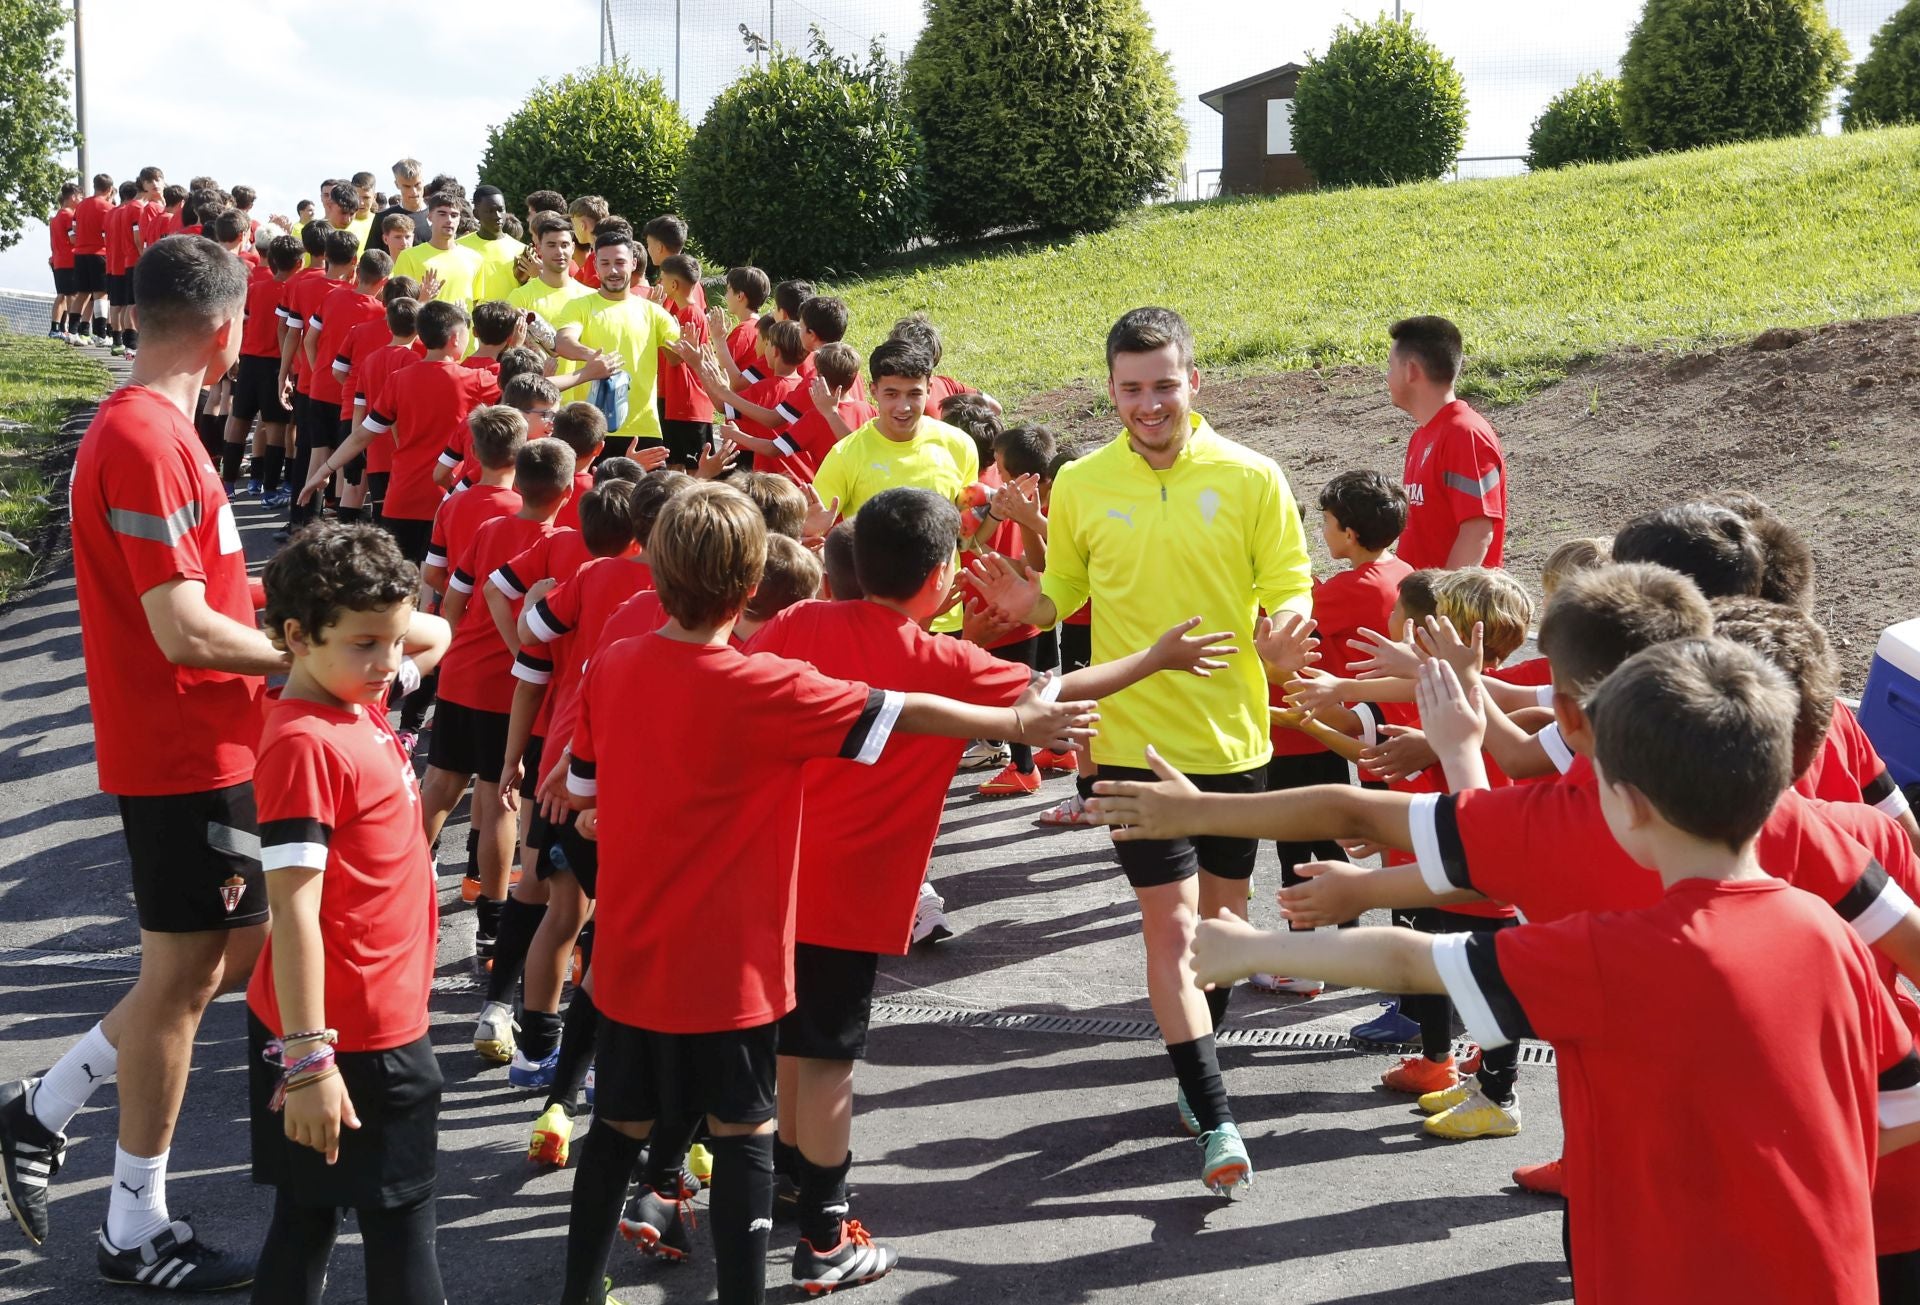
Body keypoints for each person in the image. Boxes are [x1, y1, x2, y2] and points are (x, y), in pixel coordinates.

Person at [1172, 641, 1920, 1303]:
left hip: (1660, 1275)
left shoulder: (1610, 952)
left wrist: (1251, 947)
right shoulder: (1832, 935)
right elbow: (1903, 1101)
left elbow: (1408, 956)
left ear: (1627, 804)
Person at [554, 481, 1097, 1305]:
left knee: (616, 1133)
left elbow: (585, 797)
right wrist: (1016, 724)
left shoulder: (615, 663)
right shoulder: (768, 685)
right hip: (733, 966)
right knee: (744, 1137)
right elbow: (904, 707)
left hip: (630, 953)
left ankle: (579, 1293)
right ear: (750, 590)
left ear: (655, 572)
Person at [750, 485, 1236, 1289]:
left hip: (774, 876)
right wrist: (1155, 656)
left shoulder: (801, 623)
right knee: (833, 1060)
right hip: (852, 894)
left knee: (796, 1041)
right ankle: (828, 1235)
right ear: (941, 574)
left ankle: (795, 1169)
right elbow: (1062, 691)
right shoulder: (943, 662)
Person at [966, 306, 1315, 1193]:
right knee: (1173, 925)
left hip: (1233, 740)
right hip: (1127, 742)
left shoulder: (1253, 475)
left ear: (1194, 381)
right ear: (1110, 389)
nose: (1149, 404)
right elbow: (1066, 599)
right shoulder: (1082, 482)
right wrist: (1028, 601)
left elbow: (1289, 588)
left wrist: (1284, 641)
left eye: (1164, 384)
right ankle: (1216, 1108)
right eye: (1131, 389)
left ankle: (1199, 1062)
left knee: (1226, 928)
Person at [0, 235, 280, 1288]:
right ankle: (132, 1227)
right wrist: (302, 661)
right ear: (225, 333)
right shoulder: (150, 440)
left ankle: (45, 1105)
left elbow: (202, 600)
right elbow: (181, 628)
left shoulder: (159, 429)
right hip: (183, 749)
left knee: (226, 959)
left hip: (201, 742)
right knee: (182, 983)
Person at [246, 524, 452, 1305]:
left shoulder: (353, 694)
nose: (390, 662)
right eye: (367, 643)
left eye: (392, 643)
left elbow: (434, 629)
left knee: (308, 1218)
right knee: (400, 1233)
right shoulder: (306, 742)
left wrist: (383, 627)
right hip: (352, 1037)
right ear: (297, 635)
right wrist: (308, 1062)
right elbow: (292, 908)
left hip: (362, 1022)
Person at [423, 434, 576, 969]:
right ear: (564, 492)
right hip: (507, 691)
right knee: (497, 799)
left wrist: (452, 645)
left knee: (440, 782)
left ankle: (405, 882)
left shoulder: (487, 527)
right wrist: (517, 652)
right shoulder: (559, 543)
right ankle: (491, 915)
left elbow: (456, 593)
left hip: (460, 673)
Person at [1259, 469, 1411, 994]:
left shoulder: (1342, 591)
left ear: (1348, 532)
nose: (1321, 531)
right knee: (1335, 842)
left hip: (1320, 728)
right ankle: (1339, 950)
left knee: (1299, 845)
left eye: (1326, 522)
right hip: (1372, 725)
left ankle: (1304, 958)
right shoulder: (1402, 574)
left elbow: (1282, 649)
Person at [811, 339, 977, 636]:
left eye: (914, 394)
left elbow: (965, 533)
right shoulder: (845, 455)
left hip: (945, 619)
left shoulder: (959, 445)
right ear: (873, 391)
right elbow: (810, 531)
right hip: (876, 623)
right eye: (891, 394)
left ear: (929, 388)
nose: (903, 406)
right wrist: (811, 533)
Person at [1386, 315, 1506, 570]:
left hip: (1451, 607)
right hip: (1420, 605)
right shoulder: (1423, 435)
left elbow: (1477, 532)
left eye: (1389, 366)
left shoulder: (1465, 434)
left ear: (1411, 371)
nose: (1386, 377)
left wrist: (1442, 601)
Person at [551, 231, 679, 461]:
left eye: (620, 262)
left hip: (642, 430)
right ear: (596, 267)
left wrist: (693, 349)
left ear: (633, 263)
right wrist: (593, 358)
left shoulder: (654, 312)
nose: (613, 271)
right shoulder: (580, 306)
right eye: (605, 263)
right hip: (589, 428)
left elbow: (677, 356)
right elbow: (563, 342)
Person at [222, 234, 305, 500]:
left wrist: (234, 356)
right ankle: (270, 490)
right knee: (276, 427)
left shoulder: (256, 288)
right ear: (299, 262)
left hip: (249, 360)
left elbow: (241, 321)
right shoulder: (293, 291)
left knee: (239, 421)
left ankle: (229, 483)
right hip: (276, 365)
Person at [507, 214, 595, 360]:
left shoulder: (590, 296)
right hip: (536, 381)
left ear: (572, 248)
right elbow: (510, 350)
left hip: (582, 382)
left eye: (564, 245)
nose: (559, 251)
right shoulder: (520, 297)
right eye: (551, 245)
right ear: (539, 248)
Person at [654, 254, 714, 468]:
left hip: (687, 401)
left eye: (661, 279)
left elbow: (675, 358)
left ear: (673, 284)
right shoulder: (682, 311)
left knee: (689, 468)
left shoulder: (689, 313)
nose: (659, 284)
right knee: (675, 463)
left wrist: (657, 318)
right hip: (676, 399)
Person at [392, 194, 482, 313]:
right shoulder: (409, 257)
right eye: (442, 214)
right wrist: (422, 300)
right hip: (426, 331)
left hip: (464, 331)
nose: (449, 220)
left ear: (459, 219)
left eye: (454, 215)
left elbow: (476, 304)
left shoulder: (475, 258)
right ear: (429, 217)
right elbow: (399, 310)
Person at [459, 186, 525, 304]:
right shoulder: (459, 248)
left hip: (511, 319)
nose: (497, 216)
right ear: (476, 214)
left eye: (501, 209)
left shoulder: (521, 249)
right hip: (473, 320)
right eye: (490, 211)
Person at [72, 173, 114, 346]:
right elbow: (108, 233)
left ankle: (73, 331)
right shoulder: (108, 208)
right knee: (101, 294)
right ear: (110, 189)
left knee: (82, 293)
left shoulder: (81, 206)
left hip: (80, 253)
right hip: (99, 253)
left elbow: (74, 229)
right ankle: (100, 333)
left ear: (94, 186)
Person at [48, 181, 82, 343]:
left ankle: (59, 328)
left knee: (63, 294)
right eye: (80, 196)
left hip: (58, 259)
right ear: (73, 197)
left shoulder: (56, 217)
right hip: (68, 259)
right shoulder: (69, 215)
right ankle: (61, 328)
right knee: (70, 295)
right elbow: (73, 238)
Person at [373, 158, 433, 246]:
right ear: (397, 185)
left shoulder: (437, 216)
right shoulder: (382, 218)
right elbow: (372, 257)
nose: (414, 192)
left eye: (417, 185)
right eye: (407, 186)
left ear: (423, 181)